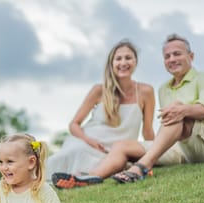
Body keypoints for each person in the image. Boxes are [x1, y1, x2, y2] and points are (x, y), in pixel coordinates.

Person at [52, 33, 204, 188]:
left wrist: (182, 110)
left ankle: (141, 167)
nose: (172, 59)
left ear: (191, 56)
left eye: (177, 54)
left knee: (177, 114)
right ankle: (90, 177)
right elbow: (162, 132)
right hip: (178, 150)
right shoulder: (163, 89)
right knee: (121, 145)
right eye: (167, 56)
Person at [47, 39, 155, 187]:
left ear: (136, 62)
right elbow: (74, 124)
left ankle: (83, 179)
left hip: (117, 151)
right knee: (72, 153)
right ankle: (68, 179)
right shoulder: (99, 90)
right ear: (111, 64)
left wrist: (153, 156)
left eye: (128, 58)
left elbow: (147, 129)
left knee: (119, 160)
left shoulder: (146, 92)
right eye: (118, 58)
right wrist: (88, 140)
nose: (123, 62)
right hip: (88, 143)